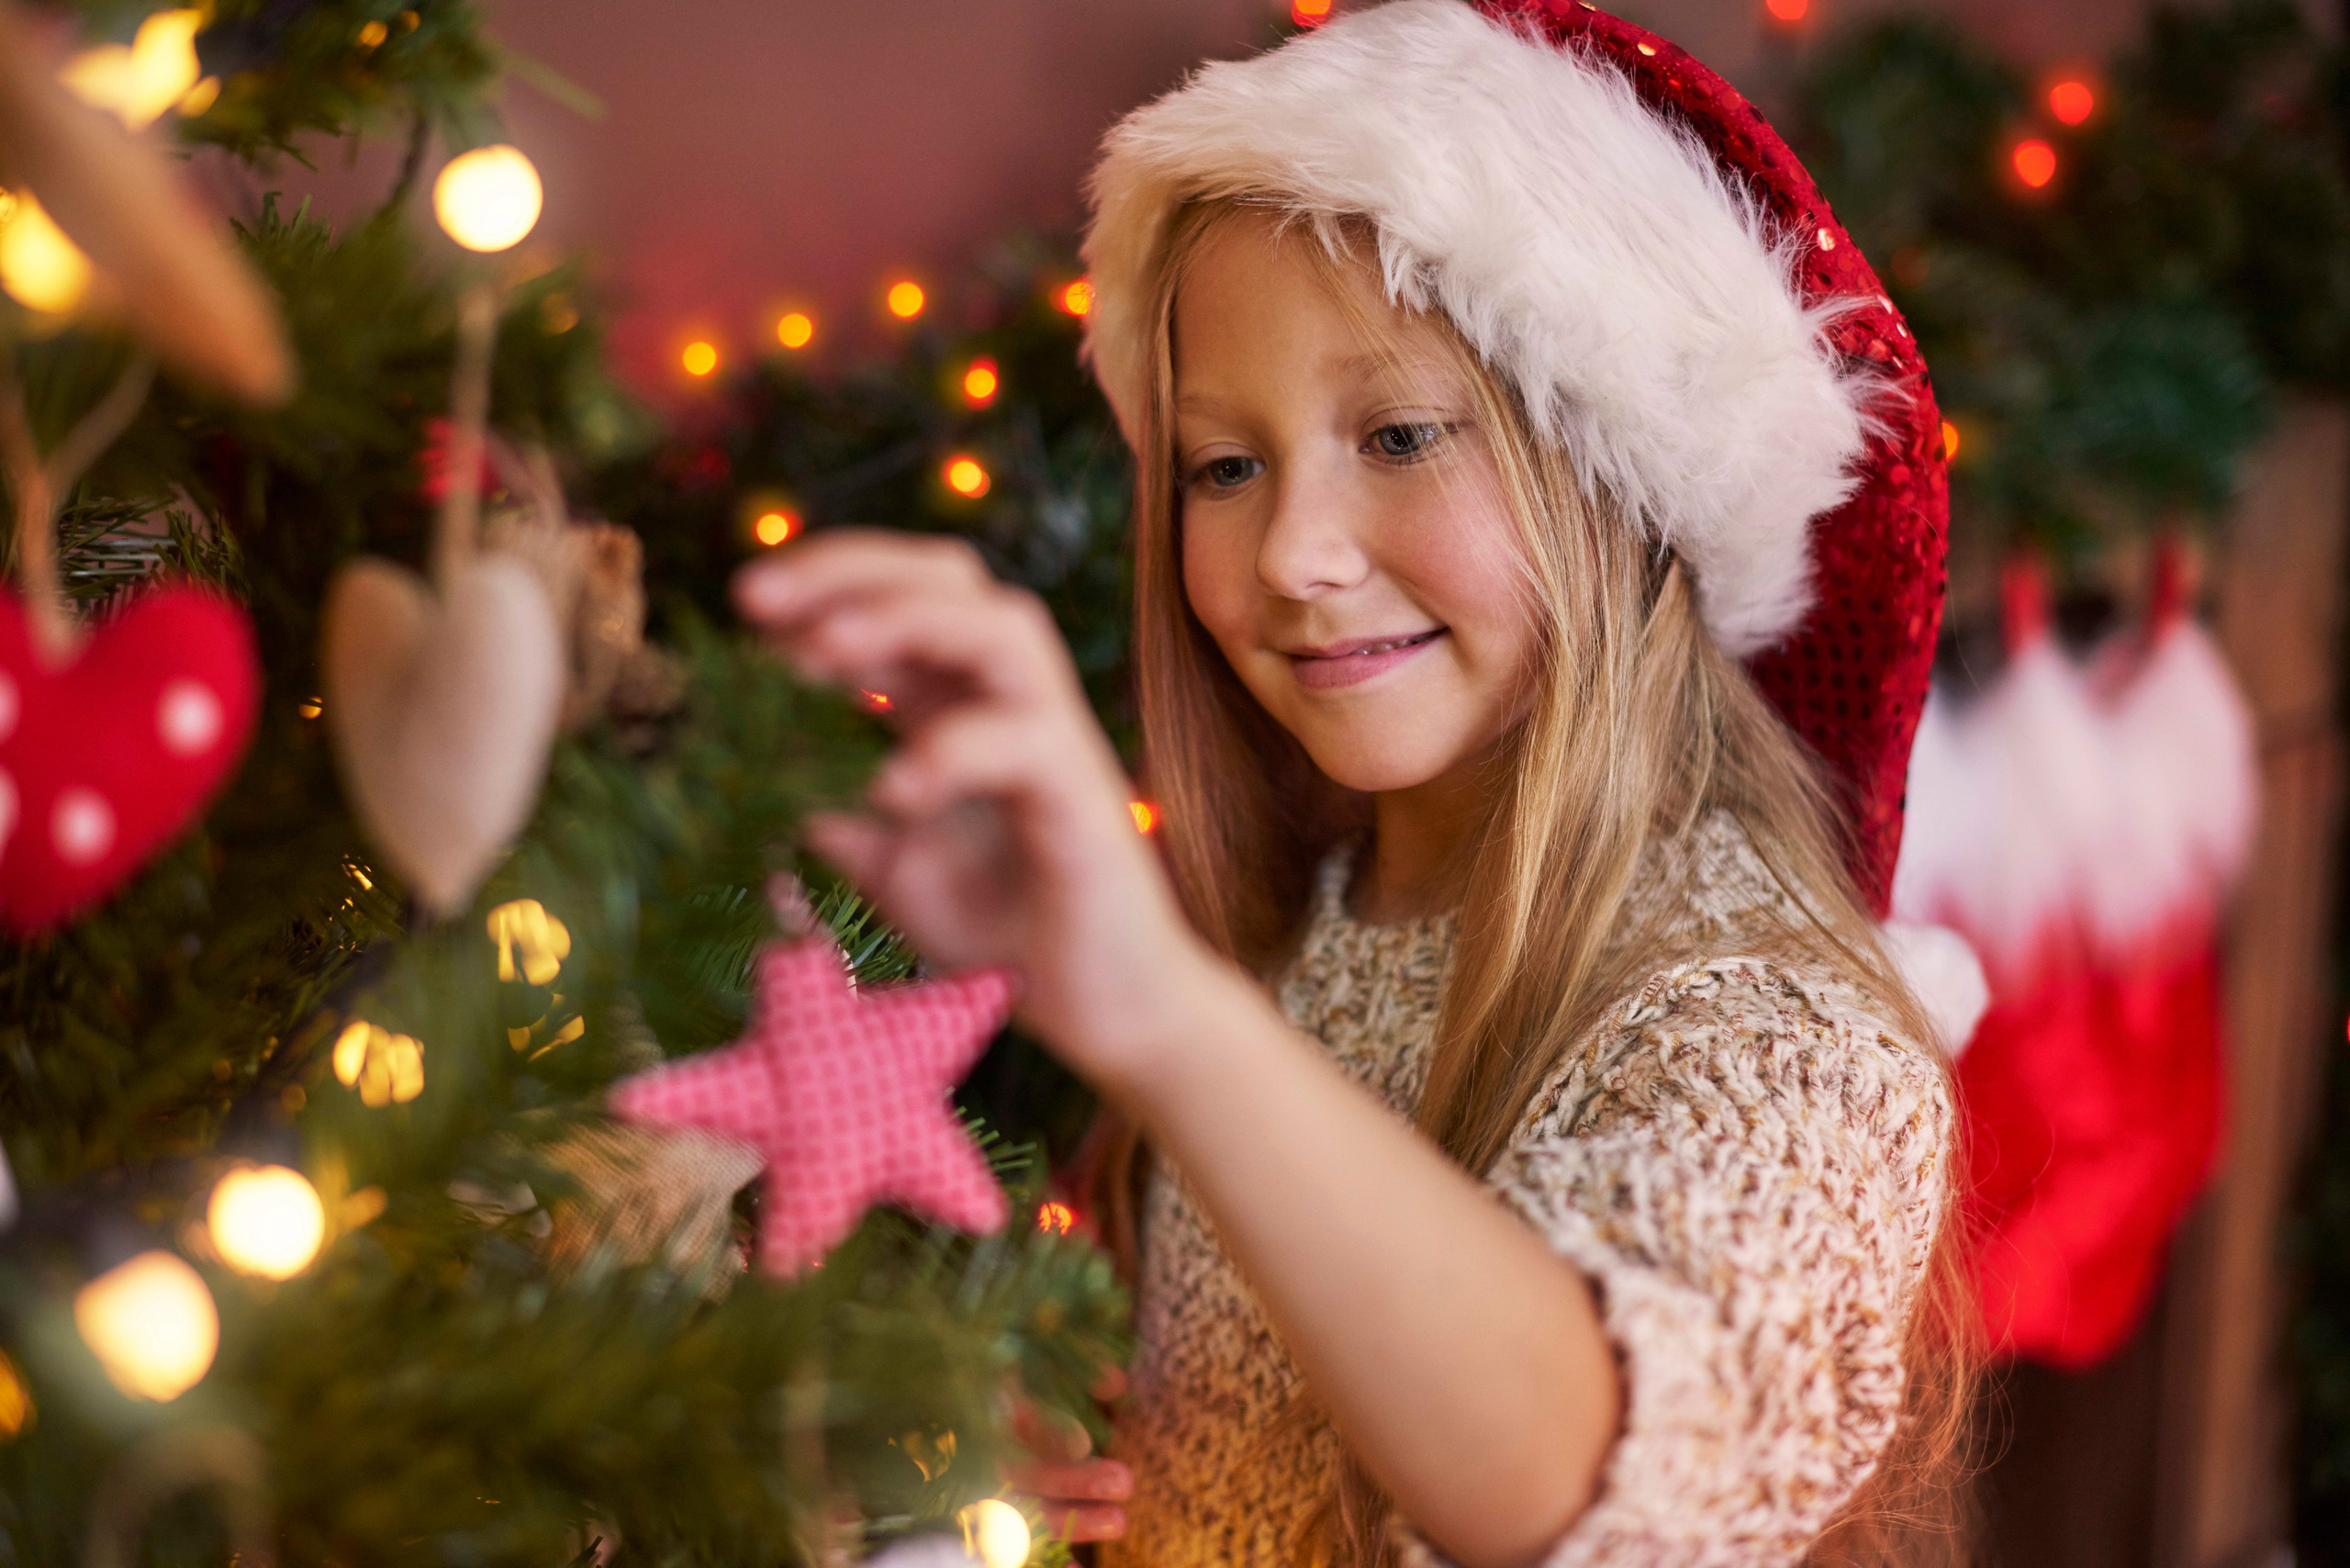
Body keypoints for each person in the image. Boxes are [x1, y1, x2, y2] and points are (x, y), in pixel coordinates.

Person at [735, 3, 1975, 1563]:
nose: (1296, 559)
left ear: (1618, 472)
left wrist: (1167, 1020)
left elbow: (1608, 1472)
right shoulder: (1308, 909)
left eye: (1397, 434)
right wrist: (1080, 1419)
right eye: (1221, 466)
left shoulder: (1779, 1025)